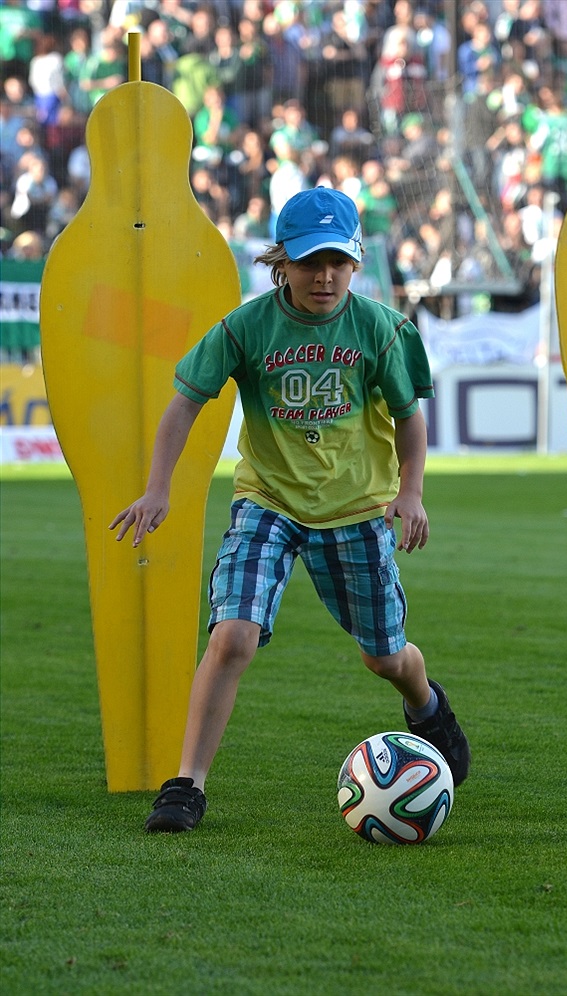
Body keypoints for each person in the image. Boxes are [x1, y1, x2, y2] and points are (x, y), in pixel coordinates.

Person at [109, 186, 470, 833]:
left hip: (358, 508)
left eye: (336, 262)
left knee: (384, 658)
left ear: (356, 261)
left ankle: (425, 704)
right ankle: (186, 785)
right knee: (232, 637)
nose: (323, 277)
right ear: (282, 263)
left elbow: (411, 420)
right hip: (267, 501)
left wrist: (410, 490)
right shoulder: (245, 329)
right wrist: (158, 487)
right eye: (308, 263)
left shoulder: (380, 329)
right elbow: (184, 404)